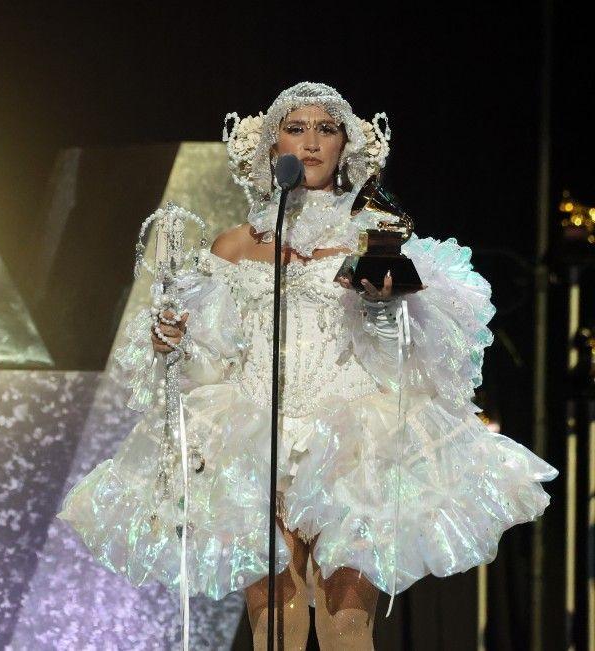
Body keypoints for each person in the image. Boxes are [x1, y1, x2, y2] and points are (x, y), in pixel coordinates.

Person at [57, 82, 557, 650]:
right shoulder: (233, 247)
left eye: (327, 129)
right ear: (272, 148)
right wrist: (173, 342)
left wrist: (383, 306)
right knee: (276, 624)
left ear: (346, 146)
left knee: (345, 623)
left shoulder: (375, 237)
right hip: (254, 434)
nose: (312, 142)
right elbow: (211, 356)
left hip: (350, 439)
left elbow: (412, 355)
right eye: (296, 128)